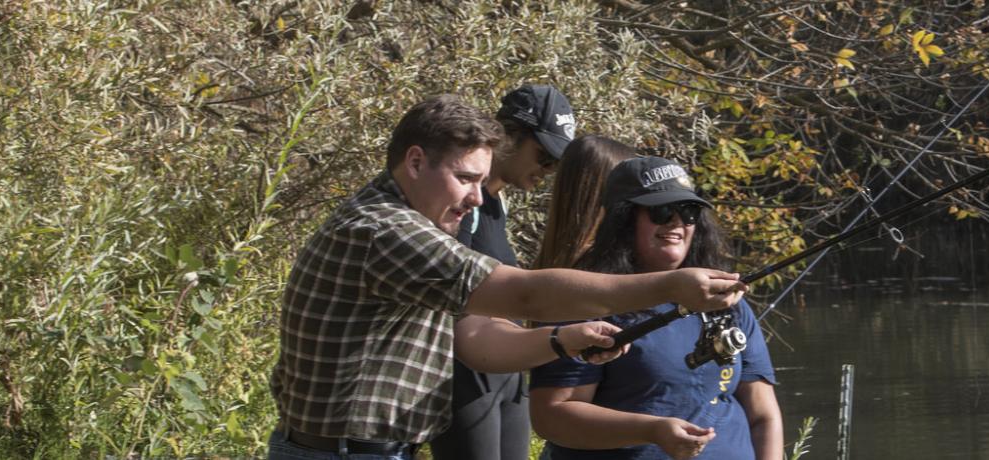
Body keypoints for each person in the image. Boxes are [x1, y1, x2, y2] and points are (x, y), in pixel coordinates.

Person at [269, 95, 747, 460]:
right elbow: (524, 295)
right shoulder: (385, 231)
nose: (478, 198)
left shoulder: (417, 230)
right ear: (415, 162)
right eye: (466, 178)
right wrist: (669, 285)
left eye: (482, 181)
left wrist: (564, 340)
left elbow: (476, 339)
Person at [529, 156, 782, 460]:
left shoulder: (726, 303)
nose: (676, 221)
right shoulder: (585, 301)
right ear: (624, 220)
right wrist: (652, 430)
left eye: (688, 212)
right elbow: (552, 416)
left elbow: (763, 416)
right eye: (661, 210)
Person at [432, 84, 619, 460]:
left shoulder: (497, 203)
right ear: (508, 135)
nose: (548, 170)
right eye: (544, 156)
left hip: (510, 374)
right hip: (466, 375)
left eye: (556, 163)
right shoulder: (461, 204)